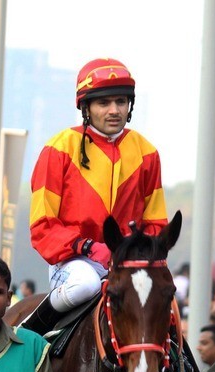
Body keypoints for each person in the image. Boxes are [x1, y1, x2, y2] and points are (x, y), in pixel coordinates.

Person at [26, 57, 167, 335]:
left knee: (161, 291)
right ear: (86, 108)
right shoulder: (59, 149)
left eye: (121, 102)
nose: (114, 110)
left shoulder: (147, 152)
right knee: (86, 284)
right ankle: (27, 333)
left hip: (127, 260)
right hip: (72, 261)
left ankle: (181, 365)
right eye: (104, 103)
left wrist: (136, 251)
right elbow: (42, 227)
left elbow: (156, 222)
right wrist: (89, 247)